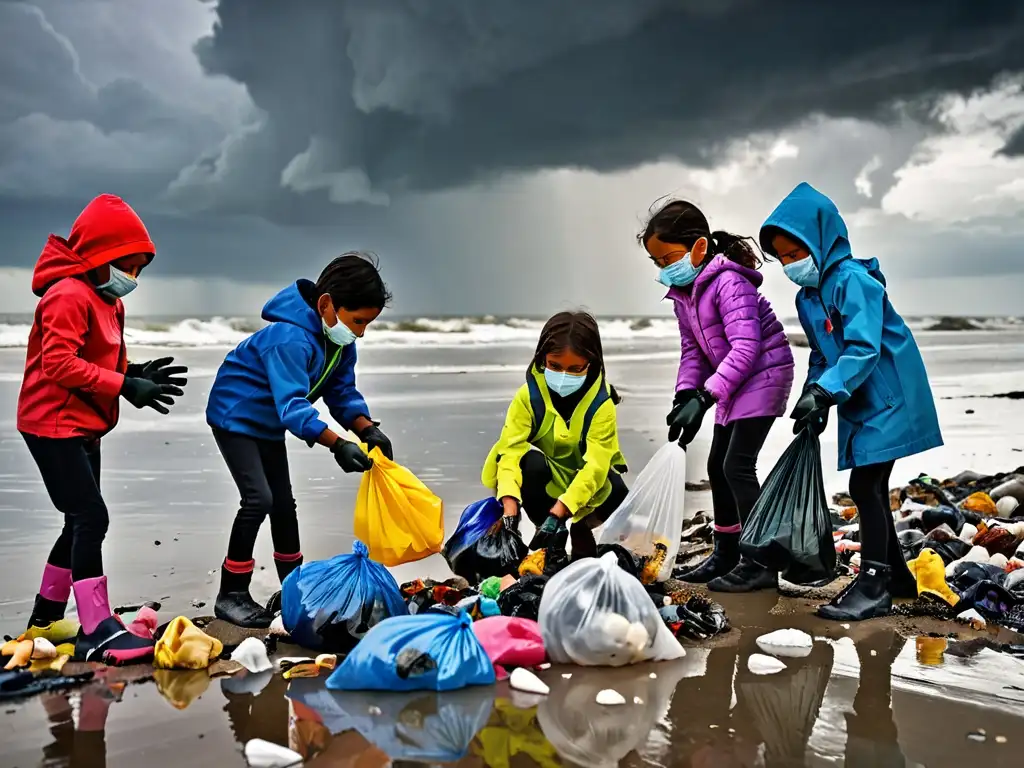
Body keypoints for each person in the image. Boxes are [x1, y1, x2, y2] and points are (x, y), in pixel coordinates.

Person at [760, 182, 942, 621]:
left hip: (892, 396)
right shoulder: (808, 297)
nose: (790, 264)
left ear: (821, 240)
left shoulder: (853, 282)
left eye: (795, 252)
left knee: (865, 485)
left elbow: (863, 348)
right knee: (873, 485)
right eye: (782, 257)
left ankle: (874, 585)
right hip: (860, 397)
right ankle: (896, 577)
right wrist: (813, 394)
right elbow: (823, 354)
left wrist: (827, 391)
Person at [18, 194, 186, 663]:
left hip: (82, 423)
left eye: (139, 270)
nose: (132, 279)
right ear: (99, 257)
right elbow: (58, 364)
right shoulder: (67, 294)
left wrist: (136, 372)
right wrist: (123, 385)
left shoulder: (107, 299)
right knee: (92, 517)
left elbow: (102, 355)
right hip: (51, 424)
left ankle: (46, 620)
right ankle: (97, 629)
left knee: (77, 518)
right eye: (126, 266)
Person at [206, 252, 392, 628]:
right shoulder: (289, 338)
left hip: (268, 422)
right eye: (358, 321)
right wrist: (336, 444)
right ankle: (232, 593)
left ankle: (294, 587)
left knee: (284, 505)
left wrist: (365, 428)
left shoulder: (339, 342)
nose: (360, 332)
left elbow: (341, 392)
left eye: (368, 324)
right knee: (259, 499)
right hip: (235, 415)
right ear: (327, 305)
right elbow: (292, 405)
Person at [639, 200, 794, 591]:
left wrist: (704, 399)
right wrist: (684, 395)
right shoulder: (684, 294)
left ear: (699, 248)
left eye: (668, 258)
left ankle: (760, 562)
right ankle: (726, 553)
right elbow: (693, 352)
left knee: (737, 465)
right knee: (716, 466)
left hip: (764, 374)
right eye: (657, 263)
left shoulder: (729, 282)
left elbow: (747, 347)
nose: (664, 270)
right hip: (732, 381)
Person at [482, 311, 628, 557]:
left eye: (575, 369)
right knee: (528, 464)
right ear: (542, 359)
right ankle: (550, 538)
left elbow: (595, 467)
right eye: (555, 366)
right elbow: (510, 452)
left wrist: (561, 511)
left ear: (591, 364)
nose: (563, 376)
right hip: (546, 479)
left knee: (617, 493)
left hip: (586, 480)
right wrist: (509, 505)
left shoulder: (601, 404)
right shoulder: (528, 397)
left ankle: (579, 527)